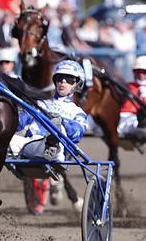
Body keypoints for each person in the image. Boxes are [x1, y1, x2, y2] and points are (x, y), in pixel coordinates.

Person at [9, 60, 88, 214]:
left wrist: (60, 121)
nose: (63, 82)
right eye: (60, 78)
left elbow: (77, 134)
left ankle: (53, 140)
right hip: (29, 147)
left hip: (56, 151)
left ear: (77, 84)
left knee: (57, 131)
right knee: (4, 138)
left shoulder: (77, 112)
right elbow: (17, 124)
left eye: (69, 79)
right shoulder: (41, 104)